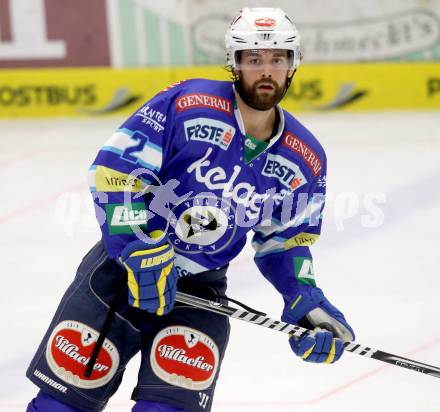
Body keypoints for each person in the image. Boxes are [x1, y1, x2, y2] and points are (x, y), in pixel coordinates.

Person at [26, 7, 355, 412]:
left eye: (277, 59)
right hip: (119, 276)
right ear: (234, 64)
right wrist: (137, 245)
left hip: (198, 295)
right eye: (254, 59)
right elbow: (115, 172)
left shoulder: (306, 159)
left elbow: (284, 242)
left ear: (292, 65)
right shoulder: (187, 103)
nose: (266, 70)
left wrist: (305, 299)